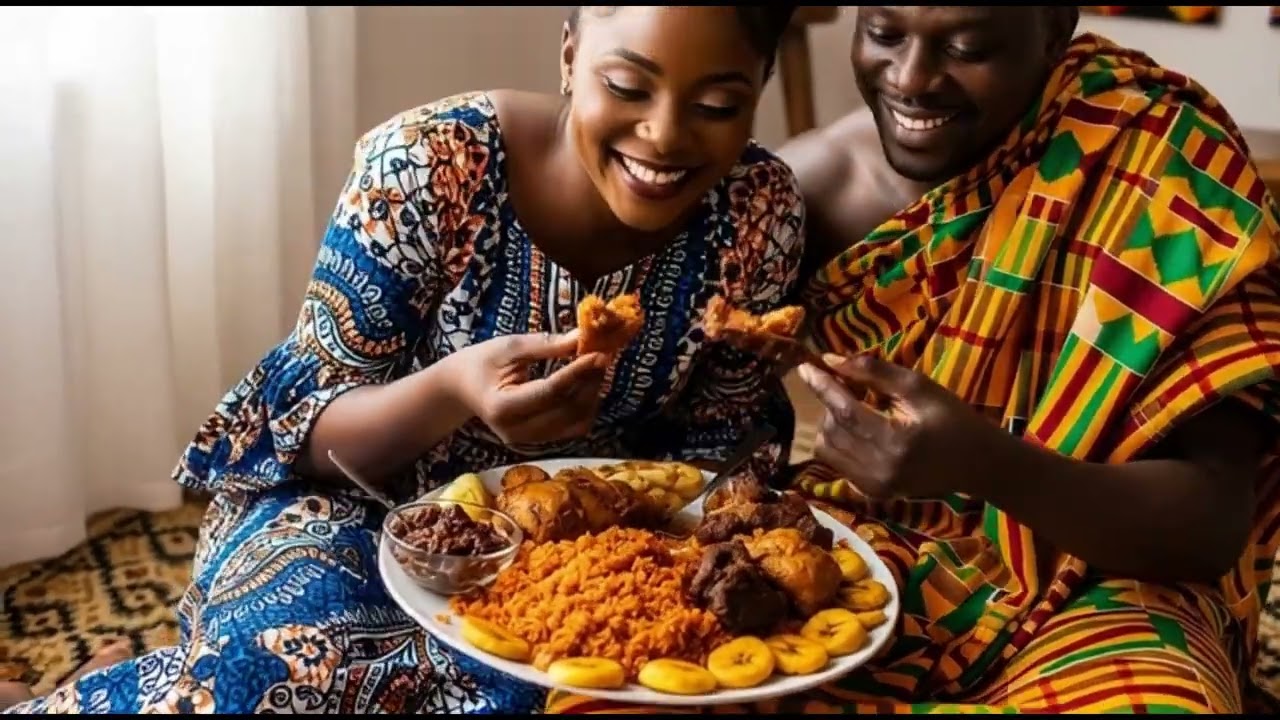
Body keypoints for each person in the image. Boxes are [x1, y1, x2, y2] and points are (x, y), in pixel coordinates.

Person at [1, 5, 805, 714]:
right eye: (627, 87)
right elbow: (308, 432)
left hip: (586, 563)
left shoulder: (757, 213)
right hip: (354, 510)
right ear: (568, 54)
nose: (664, 134)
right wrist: (454, 388)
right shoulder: (428, 165)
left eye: (717, 105)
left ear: (761, 86)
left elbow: (720, 450)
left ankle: (107, 684)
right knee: (278, 680)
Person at [547, 6, 1280, 715]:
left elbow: (1209, 526)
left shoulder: (1165, 165)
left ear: (1057, 30)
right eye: (885, 33)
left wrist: (988, 466)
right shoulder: (807, 190)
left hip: (1106, 587)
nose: (912, 78)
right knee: (620, 680)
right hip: (858, 553)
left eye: (966, 47)